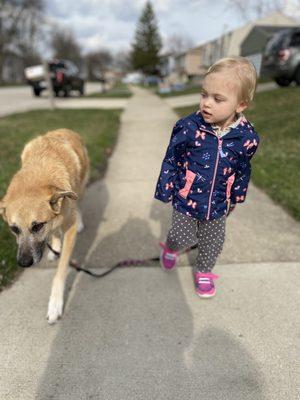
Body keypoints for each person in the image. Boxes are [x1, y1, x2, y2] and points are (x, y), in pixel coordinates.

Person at [154, 56, 260, 298]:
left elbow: (243, 169)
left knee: (213, 242)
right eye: (204, 95)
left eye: (217, 99)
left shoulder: (247, 138)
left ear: (240, 105)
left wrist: (237, 194)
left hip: (219, 202)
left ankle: (204, 271)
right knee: (181, 236)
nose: (207, 104)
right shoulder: (189, 127)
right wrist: (166, 188)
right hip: (186, 196)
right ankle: (170, 249)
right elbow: (172, 157)